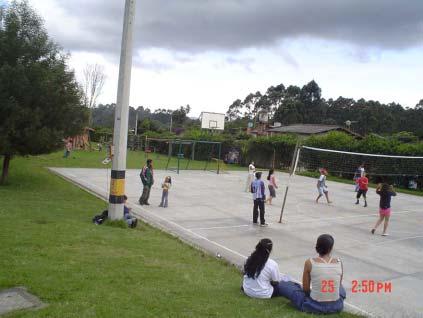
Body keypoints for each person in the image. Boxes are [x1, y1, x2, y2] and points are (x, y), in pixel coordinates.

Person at [277, 234, 346, 314]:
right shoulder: (339, 262)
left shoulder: (310, 262)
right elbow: (338, 285)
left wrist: (312, 295)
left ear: (317, 247)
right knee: (341, 288)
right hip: (337, 306)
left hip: (314, 306)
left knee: (284, 285)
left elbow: (306, 289)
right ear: (330, 248)